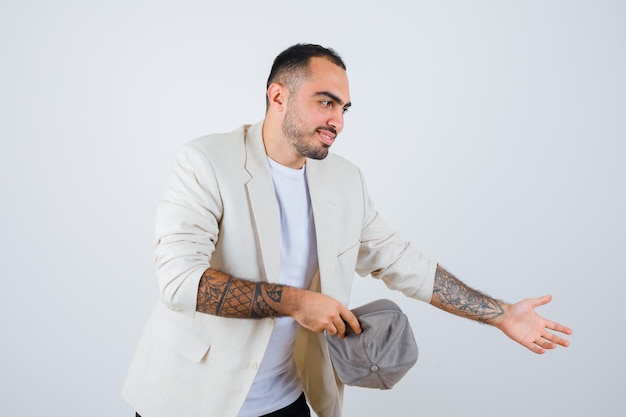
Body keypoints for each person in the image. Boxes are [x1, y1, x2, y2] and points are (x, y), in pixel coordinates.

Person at [122, 43, 572, 417]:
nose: (338, 120)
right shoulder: (206, 161)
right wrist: (296, 301)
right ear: (277, 96)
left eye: (344, 107)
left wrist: (500, 313)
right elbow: (180, 282)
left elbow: (401, 261)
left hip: (286, 400)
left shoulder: (344, 179)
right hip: (188, 400)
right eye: (325, 101)